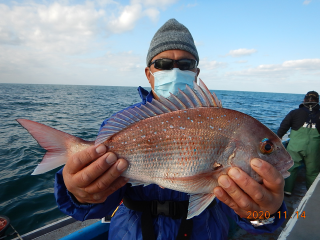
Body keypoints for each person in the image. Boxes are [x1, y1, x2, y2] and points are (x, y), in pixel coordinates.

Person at [55, 19, 287, 240]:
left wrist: (263, 213)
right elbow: (102, 201)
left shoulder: (226, 122)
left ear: (196, 73)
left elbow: (243, 213)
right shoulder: (119, 125)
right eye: (163, 64)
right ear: (149, 74)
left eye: (185, 64)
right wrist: (80, 195)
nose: (175, 71)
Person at [277, 91, 320, 195]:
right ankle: (311, 194)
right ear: (317, 101)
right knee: (312, 171)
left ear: (304, 100)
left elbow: (283, 128)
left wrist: (278, 139)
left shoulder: (295, 112)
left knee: (291, 167)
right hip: (314, 148)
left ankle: (287, 191)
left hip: (295, 146)